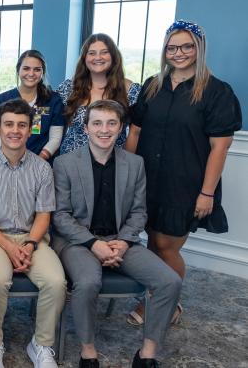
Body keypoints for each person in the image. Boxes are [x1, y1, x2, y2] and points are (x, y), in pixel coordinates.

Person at [125, 20, 242, 325]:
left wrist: (206, 193)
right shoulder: (153, 86)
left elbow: (220, 147)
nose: (179, 53)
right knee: (151, 242)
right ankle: (158, 298)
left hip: (186, 185)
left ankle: (167, 303)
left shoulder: (217, 92)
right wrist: (124, 177)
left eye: (186, 46)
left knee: (166, 245)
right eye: (172, 47)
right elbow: (135, 132)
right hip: (148, 181)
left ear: (199, 48)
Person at [52, 100, 182, 368]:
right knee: (88, 282)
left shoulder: (135, 164)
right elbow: (61, 216)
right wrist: (93, 243)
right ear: (86, 128)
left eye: (111, 123)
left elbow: (138, 212)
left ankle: (146, 354)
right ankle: (88, 351)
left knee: (169, 281)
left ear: (121, 127)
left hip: (122, 240)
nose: (104, 129)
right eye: (97, 123)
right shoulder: (65, 163)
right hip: (78, 241)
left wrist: (122, 242)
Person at [0, 99, 66, 368]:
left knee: (55, 282)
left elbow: (43, 215)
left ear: (30, 129)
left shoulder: (42, 168)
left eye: (22, 125)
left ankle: (41, 344)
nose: (15, 130)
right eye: (9, 124)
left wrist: (29, 244)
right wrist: (9, 247)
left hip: (31, 238)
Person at [57, 33, 140, 154]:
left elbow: (136, 131)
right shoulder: (68, 88)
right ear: (84, 58)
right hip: (71, 162)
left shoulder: (131, 90)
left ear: (113, 56)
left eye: (104, 52)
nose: (98, 57)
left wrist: (128, 163)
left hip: (113, 163)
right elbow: (44, 110)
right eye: (92, 53)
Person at [0, 50, 64, 160]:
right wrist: (12, 159)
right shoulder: (3, 99)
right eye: (26, 68)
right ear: (18, 70)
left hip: (42, 163)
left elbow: (55, 138)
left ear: (43, 72)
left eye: (37, 69)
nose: (31, 74)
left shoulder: (53, 100)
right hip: (7, 161)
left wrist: (38, 161)